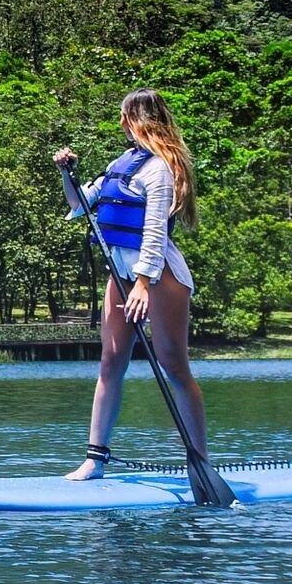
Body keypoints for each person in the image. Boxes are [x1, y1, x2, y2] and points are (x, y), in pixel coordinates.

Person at [54, 91, 235, 507]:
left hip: (160, 277)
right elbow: (79, 205)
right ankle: (94, 459)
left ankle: (200, 461)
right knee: (110, 362)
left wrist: (142, 284)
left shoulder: (159, 171)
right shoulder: (121, 165)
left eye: (123, 118)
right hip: (121, 274)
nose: (120, 125)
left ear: (134, 120)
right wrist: (68, 173)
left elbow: (154, 234)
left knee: (174, 365)